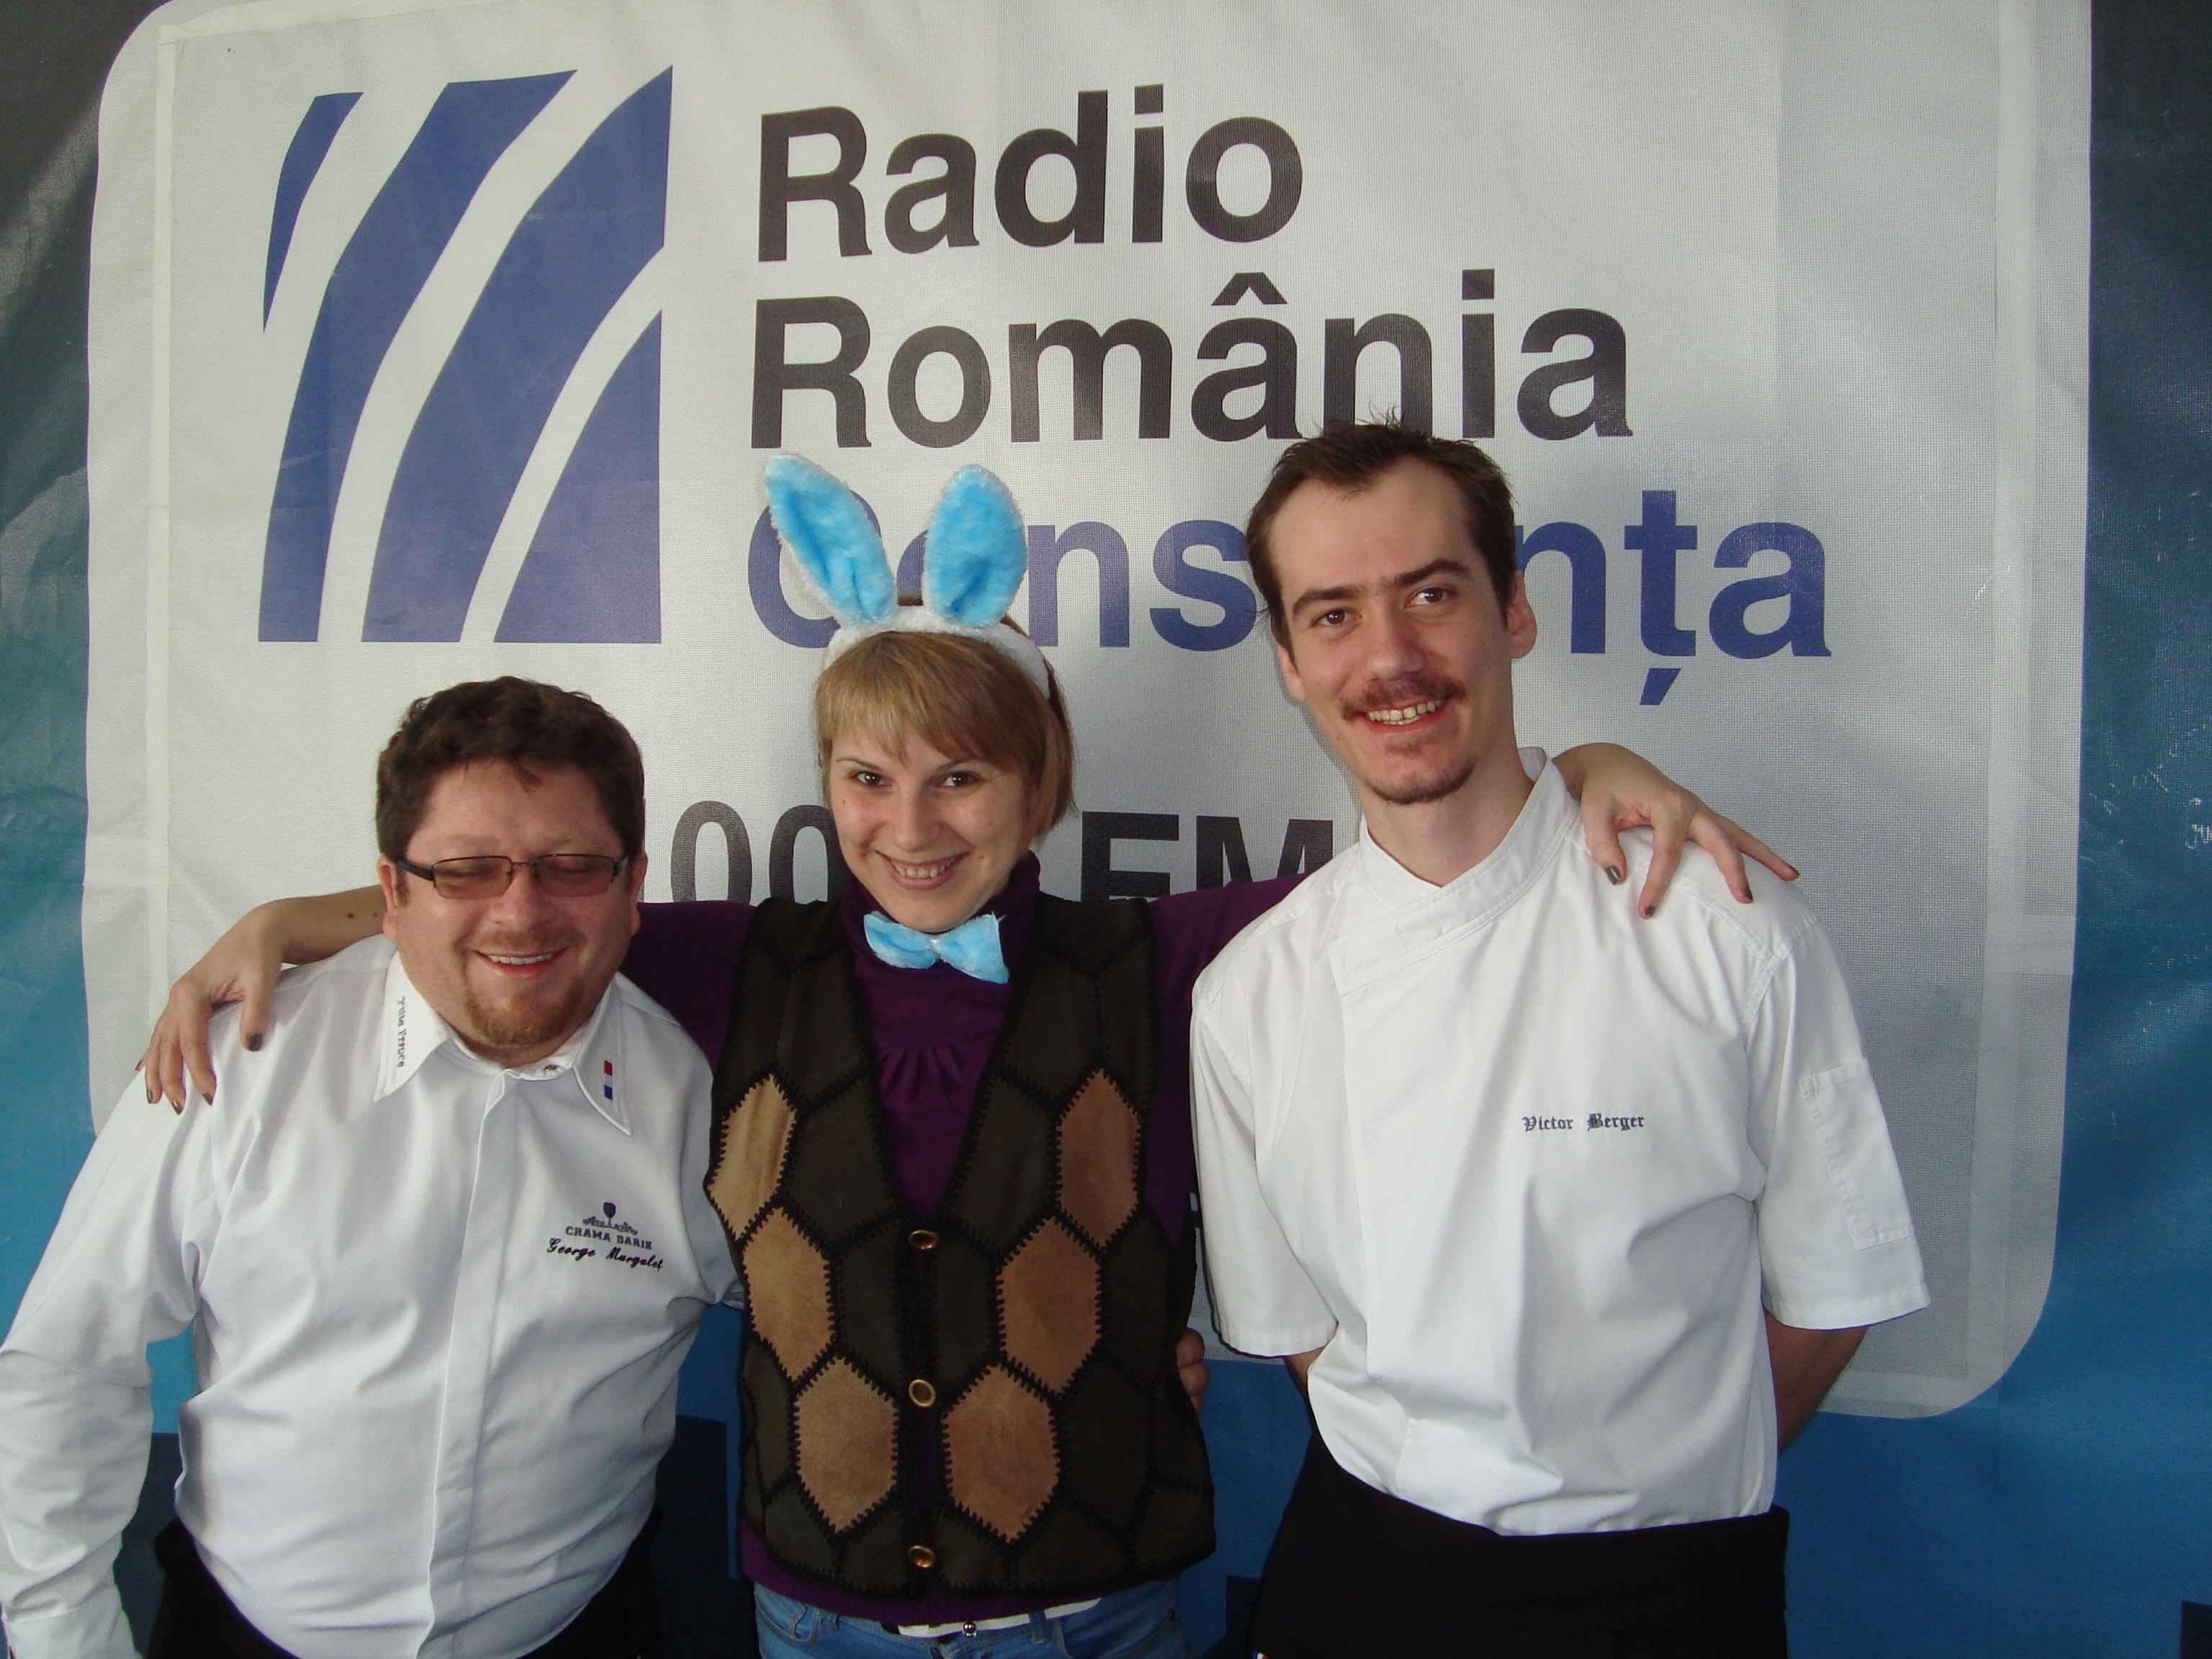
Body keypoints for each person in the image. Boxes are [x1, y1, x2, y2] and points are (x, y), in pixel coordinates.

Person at [136, 460, 1791, 1659]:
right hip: (815, 1624)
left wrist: (1587, 760)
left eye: (961, 779)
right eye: (868, 779)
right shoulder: (737, 962)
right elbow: (525, 908)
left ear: (1038, 783)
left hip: (1104, 1616)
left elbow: (1435, 848)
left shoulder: (1168, 959)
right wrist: (296, 916)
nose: (911, 827)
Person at [1189, 423, 1930, 1659]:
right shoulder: (1250, 994)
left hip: (1666, 1599)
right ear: (1289, 662)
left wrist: (1644, 1502)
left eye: (1433, 594)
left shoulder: (1727, 930)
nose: (1390, 655)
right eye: (1334, 615)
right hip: (1364, 1583)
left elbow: (1830, 1300)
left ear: (1516, 611)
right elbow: (1306, 1338)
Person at [0, 678, 739, 1659]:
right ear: (392, 893)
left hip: (581, 1632)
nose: (521, 911)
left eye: (569, 867)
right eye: (466, 871)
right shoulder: (235, 1065)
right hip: (235, 1635)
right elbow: (68, 1359)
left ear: (631, 885)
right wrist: (63, 1638)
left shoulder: (709, 1106)